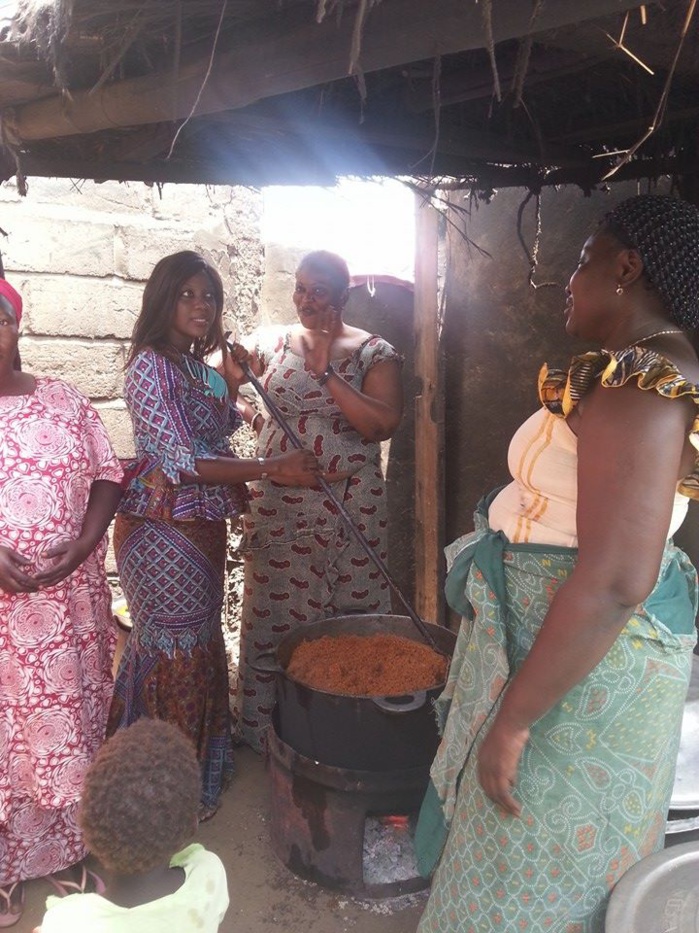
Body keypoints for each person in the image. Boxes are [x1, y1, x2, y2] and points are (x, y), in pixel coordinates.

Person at [415, 194, 699, 933]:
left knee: (532, 871)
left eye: (581, 261)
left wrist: (513, 719)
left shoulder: (648, 381)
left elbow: (612, 579)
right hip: (557, 657)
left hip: (572, 683)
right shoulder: (627, 371)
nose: (567, 279)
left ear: (625, 268)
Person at [107, 251, 318, 821]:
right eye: (188, 295)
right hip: (160, 527)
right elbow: (179, 459)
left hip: (199, 524)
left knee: (197, 639)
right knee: (171, 643)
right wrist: (272, 469)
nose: (203, 306)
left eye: (210, 297)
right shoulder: (149, 366)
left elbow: (222, 422)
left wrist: (237, 385)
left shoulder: (191, 367)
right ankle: (152, 791)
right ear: (163, 299)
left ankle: (197, 769)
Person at [233, 250, 404, 752]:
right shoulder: (275, 342)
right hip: (280, 513)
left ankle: (345, 736)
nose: (306, 300)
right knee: (271, 624)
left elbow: (381, 425)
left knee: (350, 621)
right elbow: (225, 383)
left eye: (319, 291)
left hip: (352, 511)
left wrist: (327, 371)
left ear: (343, 296)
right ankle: (266, 742)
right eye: (301, 289)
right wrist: (244, 396)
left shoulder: (374, 352)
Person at [0, 279, 123, 926]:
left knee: (62, 729)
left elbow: (108, 473)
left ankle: (65, 852)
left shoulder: (64, 402)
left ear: (16, 323)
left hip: (61, 610)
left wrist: (81, 545)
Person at [36, 718, 229, 932]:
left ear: (90, 830)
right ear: (193, 824)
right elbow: (194, 858)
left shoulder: (67, 921)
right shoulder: (208, 875)